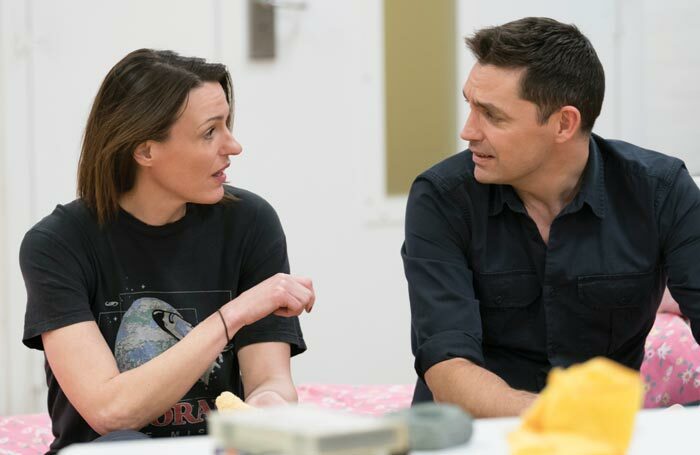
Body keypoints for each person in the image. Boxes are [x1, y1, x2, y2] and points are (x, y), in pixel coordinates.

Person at [19, 49, 315, 454]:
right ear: (145, 151)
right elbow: (110, 411)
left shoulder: (252, 223)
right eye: (210, 132)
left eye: (227, 124)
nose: (234, 146)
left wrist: (265, 413)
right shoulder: (57, 245)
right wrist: (235, 314)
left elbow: (270, 381)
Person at [402, 17, 700, 417]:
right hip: (477, 436)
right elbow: (449, 369)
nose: (468, 131)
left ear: (564, 123)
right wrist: (559, 417)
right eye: (470, 105)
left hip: (601, 439)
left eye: (492, 115)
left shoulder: (661, 191)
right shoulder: (441, 198)